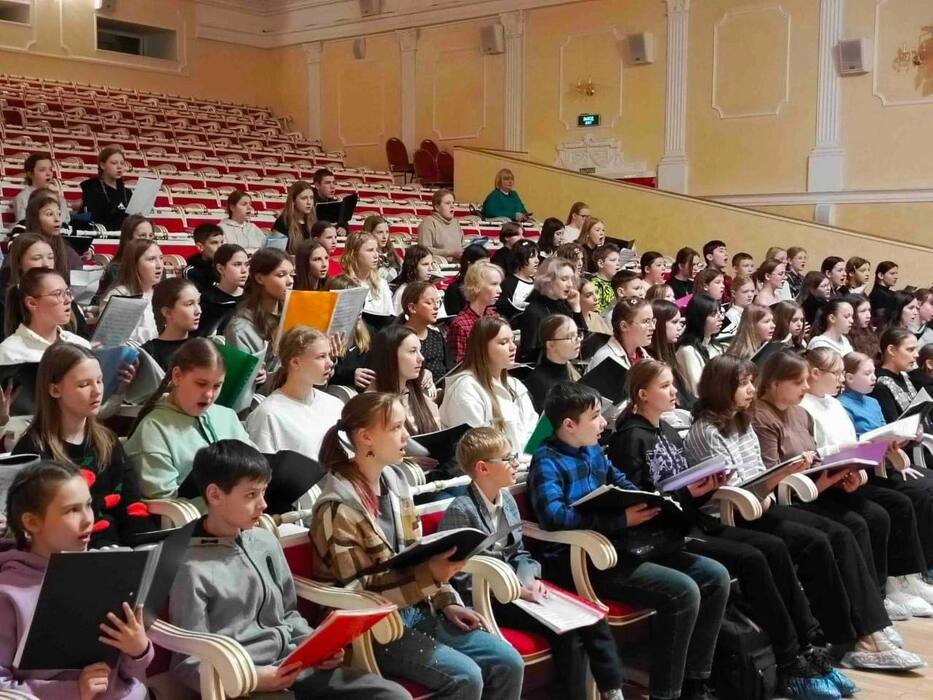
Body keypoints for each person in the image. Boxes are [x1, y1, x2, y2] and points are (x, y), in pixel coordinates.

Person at [610, 360, 846, 699]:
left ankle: (804, 647)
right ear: (642, 394)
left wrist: (704, 487)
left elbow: (682, 493)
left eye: (673, 384)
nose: (675, 391)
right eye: (664, 386)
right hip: (666, 534)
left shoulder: (668, 431)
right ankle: (788, 658)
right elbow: (645, 500)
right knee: (753, 557)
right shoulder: (631, 438)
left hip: (689, 522)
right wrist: (694, 494)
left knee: (775, 548)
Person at [683, 354, 923, 671]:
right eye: (743, 384)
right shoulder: (707, 431)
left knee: (839, 532)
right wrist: (783, 475)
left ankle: (868, 628)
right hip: (733, 512)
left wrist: (792, 474)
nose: (751, 389)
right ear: (721, 386)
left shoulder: (742, 420)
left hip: (761, 502)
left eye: (751, 382)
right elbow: (733, 487)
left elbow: (755, 473)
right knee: (817, 540)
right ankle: (849, 636)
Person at [310, 393, 525, 699]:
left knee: (508, 661)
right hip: (370, 628)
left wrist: (446, 600)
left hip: (417, 607)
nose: (406, 436)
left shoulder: (396, 482)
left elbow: (419, 551)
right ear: (366, 437)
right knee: (466, 676)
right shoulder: (338, 507)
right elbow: (358, 592)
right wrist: (431, 575)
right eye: (396, 427)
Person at [529, 381, 730, 700]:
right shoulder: (546, 460)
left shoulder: (593, 449)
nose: (604, 423)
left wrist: (655, 500)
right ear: (569, 425)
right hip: (584, 559)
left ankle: (695, 682)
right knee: (683, 591)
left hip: (623, 545)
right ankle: (666, 694)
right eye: (595, 417)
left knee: (715, 576)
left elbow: (622, 484)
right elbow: (553, 516)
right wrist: (619, 519)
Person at [169, 440, 409, 699]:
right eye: (251, 495)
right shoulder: (190, 566)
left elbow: (288, 613)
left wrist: (316, 645)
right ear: (215, 495)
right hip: (245, 684)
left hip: (296, 665)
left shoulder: (264, 541)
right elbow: (188, 662)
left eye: (263, 492)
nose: (263, 504)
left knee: (393, 696)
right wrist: (254, 679)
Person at [440, 426, 625, 700]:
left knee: (590, 616)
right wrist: (517, 590)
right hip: (489, 598)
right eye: (507, 458)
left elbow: (520, 553)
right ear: (483, 468)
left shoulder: (507, 500)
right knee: (567, 632)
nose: (515, 463)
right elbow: (459, 574)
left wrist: (531, 581)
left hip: (520, 590)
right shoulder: (461, 509)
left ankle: (612, 691)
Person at [0, 461, 154, 697]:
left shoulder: (106, 569)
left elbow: (129, 671)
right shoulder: (8, 593)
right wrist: (74, 691)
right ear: (31, 522)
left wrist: (138, 650)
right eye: (72, 510)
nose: (88, 519)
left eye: (88, 505)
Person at [800, 347, 933, 618]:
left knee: (898, 503)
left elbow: (854, 441)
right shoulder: (805, 407)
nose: (841, 379)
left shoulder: (833, 403)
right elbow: (820, 452)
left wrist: (884, 445)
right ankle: (882, 590)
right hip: (827, 481)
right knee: (884, 510)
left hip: (853, 472)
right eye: (837, 373)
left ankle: (903, 578)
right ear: (815, 373)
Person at [126, 337, 255, 499]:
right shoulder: (153, 429)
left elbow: (256, 470)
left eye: (217, 386)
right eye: (201, 384)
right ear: (177, 376)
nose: (209, 395)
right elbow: (164, 503)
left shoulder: (227, 416)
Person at [440, 316, 538, 454]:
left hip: (526, 462)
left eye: (513, 340)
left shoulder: (515, 385)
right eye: (503, 342)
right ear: (482, 348)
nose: (513, 347)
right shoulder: (466, 389)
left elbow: (533, 431)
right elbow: (477, 449)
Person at [245, 326, 341, 460]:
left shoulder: (335, 404)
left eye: (329, 355)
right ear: (295, 362)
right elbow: (261, 467)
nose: (330, 363)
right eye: (321, 357)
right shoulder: (269, 414)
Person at [225, 247, 294, 388]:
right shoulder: (240, 329)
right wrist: (257, 376)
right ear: (259, 278)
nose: (290, 281)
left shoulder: (294, 314)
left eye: (292, 274)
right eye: (281, 275)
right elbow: (240, 386)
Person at [0, 268, 86, 365]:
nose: (68, 300)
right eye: (57, 294)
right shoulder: (10, 353)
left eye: (67, 292)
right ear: (32, 303)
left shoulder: (80, 344)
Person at [370, 325, 441, 435]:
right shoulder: (371, 407)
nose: (421, 358)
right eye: (413, 351)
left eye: (420, 351)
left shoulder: (422, 399)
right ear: (391, 356)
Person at [514, 256, 582, 363]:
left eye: (571, 279)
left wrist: (576, 307)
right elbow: (529, 354)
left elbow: (581, 341)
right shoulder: (534, 312)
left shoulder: (563, 306)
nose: (570, 284)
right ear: (548, 280)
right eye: (564, 279)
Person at [99, 239, 164, 345]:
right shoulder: (119, 296)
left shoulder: (164, 294)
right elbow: (109, 340)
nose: (159, 265)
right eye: (151, 259)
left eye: (161, 258)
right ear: (134, 264)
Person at [446, 260, 502, 364]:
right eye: (494, 284)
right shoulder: (460, 325)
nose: (500, 290)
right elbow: (458, 365)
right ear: (477, 286)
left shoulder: (494, 316)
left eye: (499, 284)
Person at [142, 277, 202, 371]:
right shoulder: (149, 354)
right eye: (189, 304)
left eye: (198, 303)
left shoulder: (202, 348)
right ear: (167, 312)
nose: (198, 311)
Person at [524, 314, 581, 412]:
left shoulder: (571, 369)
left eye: (577, 335)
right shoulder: (538, 382)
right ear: (551, 345)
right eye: (570, 337)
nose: (578, 340)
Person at [93, 215, 154, 305]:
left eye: (151, 236)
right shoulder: (116, 269)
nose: (148, 240)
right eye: (142, 236)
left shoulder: (158, 267)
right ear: (129, 239)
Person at [400, 281, 452, 384]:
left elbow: (450, 369)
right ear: (412, 308)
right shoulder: (398, 338)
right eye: (429, 303)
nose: (436, 307)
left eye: (437, 302)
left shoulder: (437, 336)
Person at [676, 294, 723, 395]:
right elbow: (698, 392)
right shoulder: (687, 351)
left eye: (720, 312)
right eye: (713, 314)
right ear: (699, 318)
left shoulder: (715, 346)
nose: (721, 317)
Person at [591, 297, 653, 373]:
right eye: (646, 321)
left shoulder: (643, 354)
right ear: (624, 326)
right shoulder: (605, 359)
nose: (653, 327)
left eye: (652, 321)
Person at [197, 243, 246, 337]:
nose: (244, 270)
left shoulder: (252, 297)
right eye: (237, 264)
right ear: (221, 269)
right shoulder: (207, 300)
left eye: (246, 264)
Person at [79, 144, 132, 231]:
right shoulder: (91, 188)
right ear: (102, 165)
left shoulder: (127, 192)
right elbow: (93, 219)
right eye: (114, 163)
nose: (119, 166)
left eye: (122, 163)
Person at [342, 232, 395, 318]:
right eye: (370, 250)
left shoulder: (382, 284)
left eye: (376, 250)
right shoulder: (343, 285)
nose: (376, 255)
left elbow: (390, 317)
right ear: (354, 254)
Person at [14, 152, 71, 226]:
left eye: (50, 169)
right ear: (30, 174)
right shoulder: (23, 197)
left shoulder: (59, 199)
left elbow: (65, 223)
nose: (48, 174)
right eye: (42, 170)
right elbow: (23, 225)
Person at [417, 188, 464, 262]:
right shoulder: (428, 222)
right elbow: (424, 250)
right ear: (437, 207)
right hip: (437, 265)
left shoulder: (456, 223)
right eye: (448, 203)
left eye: (453, 203)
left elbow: (462, 246)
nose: (452, 206)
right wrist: (449, 253)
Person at [495, 239, 537, 319]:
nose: (537, 261)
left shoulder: (539, 283)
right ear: (519, 259)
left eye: (537, 256)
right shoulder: (507, 284)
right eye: (532, 257)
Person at [443, 243, 489, 317]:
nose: (487, 268)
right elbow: (454, 318)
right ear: (469, 264)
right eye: (483, 264)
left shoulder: (487, 285)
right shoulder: (454, 289)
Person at [273, 180, 316, 254]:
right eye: (304, 198)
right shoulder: (283, 222)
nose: (309, 202)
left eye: (311, 198)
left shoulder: (314, 221)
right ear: (293, 201)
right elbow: (275, 253)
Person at [183, 223, 224, 294]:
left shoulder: (227, 266)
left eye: (222, 242)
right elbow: (197, 298)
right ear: (200, 247)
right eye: (214, 243)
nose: (220, 247)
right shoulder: (191, 272)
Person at [364, 215, 403, 283]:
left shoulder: (393, 254)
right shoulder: (364, 256)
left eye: (387, 232)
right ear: (369, 233)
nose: (384, 236)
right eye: (380, 232)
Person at [845, 293, 880, 361]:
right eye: (863, 311)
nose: (868, 315)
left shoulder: (869, 331)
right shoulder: (846, 337)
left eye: (869, 310)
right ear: (852, 313)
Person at [590, 243, 622, 314]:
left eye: (619, 260)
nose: (618, 264)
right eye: (613, 260)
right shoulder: (595, 285)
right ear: (601, 263)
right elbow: (596, 314)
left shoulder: (616, 282)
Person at [869, 261, 899, 325]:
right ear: (880, 275)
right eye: (892, 273)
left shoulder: (890, 293)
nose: (896, 277)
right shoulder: (877, 295)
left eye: (896, 273)